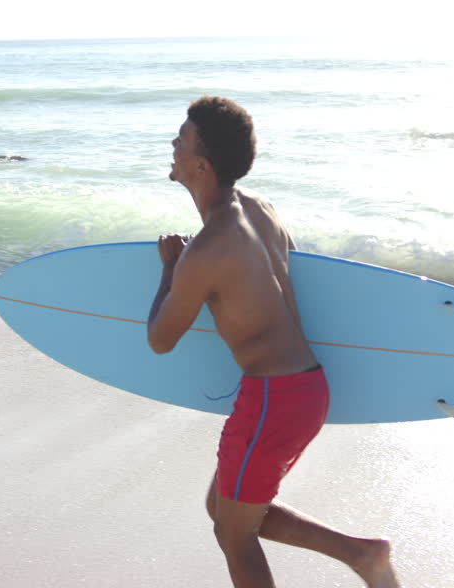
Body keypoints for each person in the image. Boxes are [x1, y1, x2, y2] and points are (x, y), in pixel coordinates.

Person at [147, 96, 399, 588]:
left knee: (234, 533)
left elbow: (160, 339)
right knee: (224, 506)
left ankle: (364, 556)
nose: (173, 144)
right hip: (305, 389)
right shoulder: (261, 210)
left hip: (271, 400)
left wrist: (170, 271)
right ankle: (362, 555)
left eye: (182, 137)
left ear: (200, 163)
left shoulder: (209, 248)